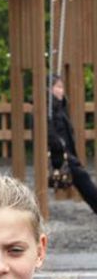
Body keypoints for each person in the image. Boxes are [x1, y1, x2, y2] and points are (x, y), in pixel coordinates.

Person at [47, 74, 97, 214]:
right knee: (83, 178)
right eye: (58, 87)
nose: (61, 91)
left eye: (62, 87)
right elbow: (49, 132)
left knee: (82, 178)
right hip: (58, 154)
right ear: (49, 89)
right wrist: (60, 147)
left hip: (65, 153)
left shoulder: (59, 107)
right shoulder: (48, 108)